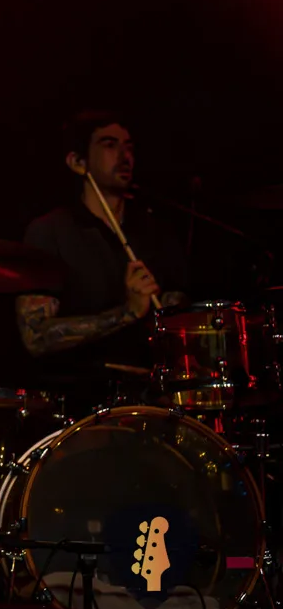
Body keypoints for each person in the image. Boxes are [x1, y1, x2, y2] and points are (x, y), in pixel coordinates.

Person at [15, 111, 187, 402]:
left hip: (152, 398)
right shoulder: (50, 231)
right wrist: (128, 312)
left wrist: (168, 315)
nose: (124, 156)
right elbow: (35, 338)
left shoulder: (155, 230)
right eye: (109, 145)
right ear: (77, 162)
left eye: (129, 147)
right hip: (78, 400)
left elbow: (179, 312)